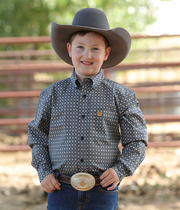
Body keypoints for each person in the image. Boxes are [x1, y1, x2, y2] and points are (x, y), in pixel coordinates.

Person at [28, 8, 148, 210]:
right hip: (60, 188)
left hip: (103, 190)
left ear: (106, 53)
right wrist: (44, 171)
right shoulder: (51, 94)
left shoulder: (122, 95)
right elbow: (38, 135)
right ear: (69, 49)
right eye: (80, 47)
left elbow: (137, 140)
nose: (87, 55)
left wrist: (121, 170)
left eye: (95, 49)